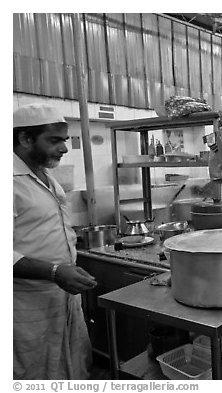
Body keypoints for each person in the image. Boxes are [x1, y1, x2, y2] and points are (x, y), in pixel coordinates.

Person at [13, 103, 98, 379]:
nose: (64, 148)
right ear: (25, 138)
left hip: (62, 293)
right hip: (26, 302)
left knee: (73, 365)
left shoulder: (45, 174)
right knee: (35, 371)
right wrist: (53, 271)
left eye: (64, 139)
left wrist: (64, 267)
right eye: (54, 140)